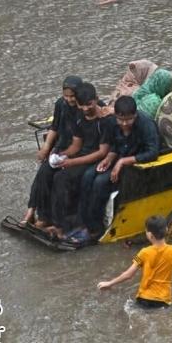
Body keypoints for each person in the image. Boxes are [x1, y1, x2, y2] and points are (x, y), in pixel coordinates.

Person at [71, 96, 160, 243]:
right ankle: (83, 222)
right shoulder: (112, 122)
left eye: (129, 120)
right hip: (119, 158)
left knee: (100, 182)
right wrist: (109, 159)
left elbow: (153, 152)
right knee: (88, 176)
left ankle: (96, 229)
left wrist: (123, 162)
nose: (124, 124)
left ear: (135, 115)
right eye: (121, 120)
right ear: (116, 116)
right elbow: (114, 145)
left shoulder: (146, 124)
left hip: (136, 166)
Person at [97, 215, 172, 308]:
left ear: (150, 235)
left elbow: (128, 274)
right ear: (167, 230)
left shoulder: (142, 253)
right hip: (163, 302)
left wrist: (110, 283)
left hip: (143, 300)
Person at [47, 82, 115, 239]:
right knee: (52, 172)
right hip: (82, 155)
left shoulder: (104, 120)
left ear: (96, 100)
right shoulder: (79, 116)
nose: (85, 109)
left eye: (89, 105)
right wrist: (62, 155)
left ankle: (62, 226)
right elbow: (76, 144)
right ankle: (53, 219)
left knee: (61, 178)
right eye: (81, 105)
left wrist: (72, 163)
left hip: (95, 159)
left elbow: (101, 152)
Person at [22, 76, 82, 226]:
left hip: (79, 153)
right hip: (62, 148)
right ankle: (36, 213)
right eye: (66, 96)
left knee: (59, 179)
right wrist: (46, 147)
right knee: (43, 173)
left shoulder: (85, 107)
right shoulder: (61, 105)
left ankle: (55, 221)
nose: (69, 100)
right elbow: (54, 127)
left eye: (72, 96)